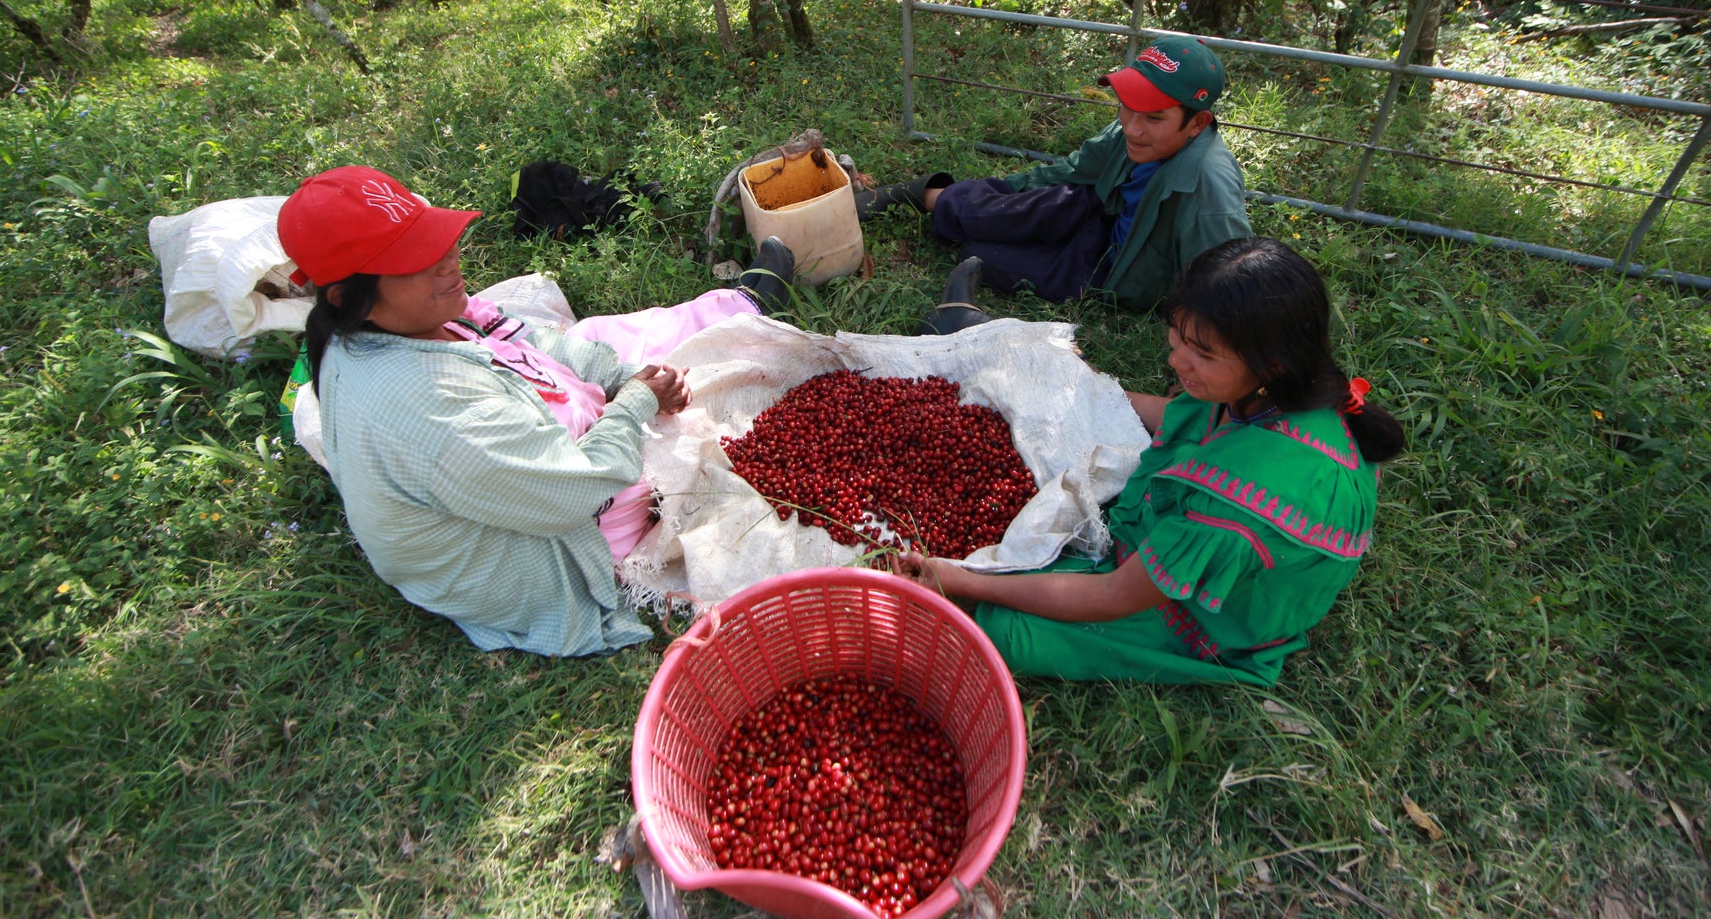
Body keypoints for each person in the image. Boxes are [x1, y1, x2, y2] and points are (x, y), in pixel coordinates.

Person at [276, 165, 796, 658]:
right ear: (350, 298)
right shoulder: (430, 412)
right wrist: (636, 400)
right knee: (683, 454)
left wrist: (618, 378)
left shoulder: (413, 320)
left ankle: (738, 306)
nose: (449, 258)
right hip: (559, 540)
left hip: (527, 467)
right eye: (417, 260)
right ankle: (741, 317)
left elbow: (523, 337)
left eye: (436, 239)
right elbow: (576, 488)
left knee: (595, 341)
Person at [895, 237, 1404, 686]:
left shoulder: (1240, 501)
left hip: (1207, 619)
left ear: (1270, 362)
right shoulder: (1274, 391)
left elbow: (1116, 595)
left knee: (1001, 628)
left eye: (1201, 353)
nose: (1177, 360)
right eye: (1178, 336)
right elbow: (1165, 414)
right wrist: (1059, 376)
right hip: (1206, 531)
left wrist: (959, 579)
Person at [862, 35, 1251, 333]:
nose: (1132, 127)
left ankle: (938, 205)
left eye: (1153, 118)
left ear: (1197, 123)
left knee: (980, 252)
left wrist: (1194, 348)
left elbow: (1228, 292)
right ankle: (917, 194)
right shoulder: (1128, 131)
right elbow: (1062, 174)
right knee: (999, 210)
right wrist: (995, 193)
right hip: (1096, 212)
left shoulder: (1209, 190)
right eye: (1127, 107)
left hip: (1108, 271)